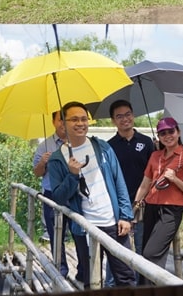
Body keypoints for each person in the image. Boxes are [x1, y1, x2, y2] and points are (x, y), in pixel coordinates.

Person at [47, 102, 136, 288]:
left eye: (84, 119)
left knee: (125, 276)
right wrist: (72, 175)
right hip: (84, 227)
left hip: (113, 223)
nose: (80, 123)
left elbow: (119, 181)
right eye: (74, 119)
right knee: (91, 279)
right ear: (63, 124)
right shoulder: (57, 159)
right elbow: (58, 198)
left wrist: (126, 216)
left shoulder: (102, 147)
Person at [133, 117, 183, 284]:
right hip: (151, 207)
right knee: (145, 254)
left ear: (178, 132)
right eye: (163, 133)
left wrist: (175, 179)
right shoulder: (155, 156)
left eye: (171, 131)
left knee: (151, 253)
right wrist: (135, 204)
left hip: (171, 211)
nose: (167, 135)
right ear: (158, 136)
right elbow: (145, 184)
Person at [107, 99, 155, 257]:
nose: (125, 119)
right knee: (119, 250)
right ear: (113, 121)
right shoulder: (109, 147)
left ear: (133, 115)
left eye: (128, 114)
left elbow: (154, 172)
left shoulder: (147, 142)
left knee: (143, 248)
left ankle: (142, 281)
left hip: (143, 204)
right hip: (119, 205)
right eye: (119, 116)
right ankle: (121, 281)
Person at [32, 111, 70, 277]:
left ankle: (84, 271)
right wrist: (43, 162)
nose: (63, 123)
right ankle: (61, 270)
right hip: (52, 195)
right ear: (53, 122)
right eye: (60, 119)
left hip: (74, 194)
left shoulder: (78, 142)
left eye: (66, 119)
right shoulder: (44, 146)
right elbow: (37, 173)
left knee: (80, 232)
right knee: (56, 233)